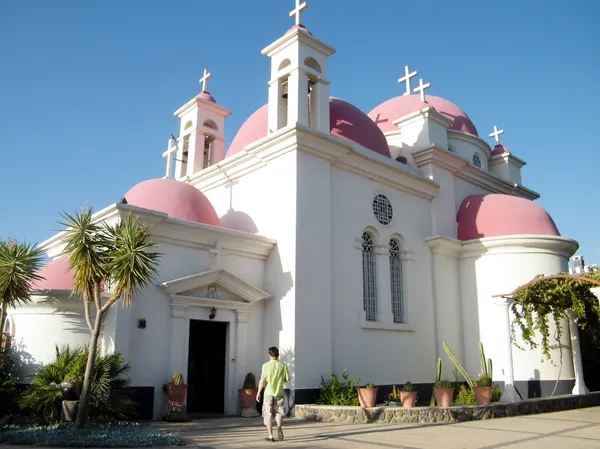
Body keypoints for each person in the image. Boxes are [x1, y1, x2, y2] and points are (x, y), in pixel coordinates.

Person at [256, 346, 290, 442]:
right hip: (279, 392)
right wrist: (279, 380)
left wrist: (258, 392)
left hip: (268, 392)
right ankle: (279, 426)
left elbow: (262, 380)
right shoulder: (283, 365)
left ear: (269, 355)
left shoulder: (265, 366)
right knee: (279, 411)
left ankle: (270, 436)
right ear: (278, 355)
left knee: (268, 413)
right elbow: (287, 379)